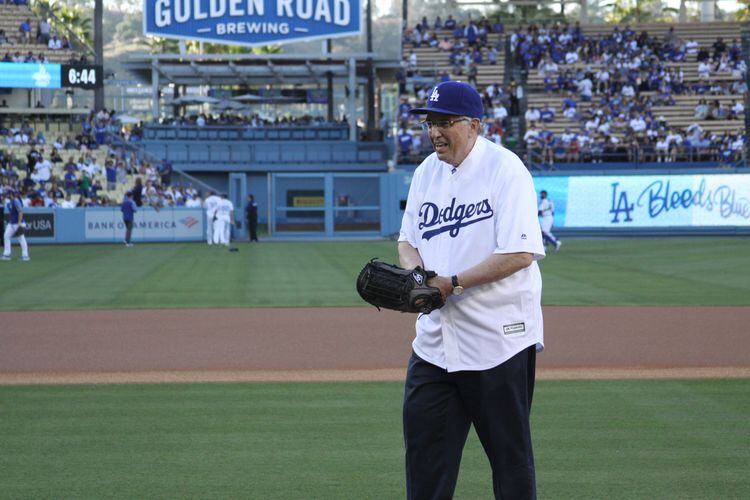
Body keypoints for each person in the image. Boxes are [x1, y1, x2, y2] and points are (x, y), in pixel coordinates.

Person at [399, 81, 545, 499]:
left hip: (497, 341)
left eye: (445, 122)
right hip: (434, 345)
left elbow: (520, 252)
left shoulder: (506, 169)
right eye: (430, 122)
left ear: (474, 125)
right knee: (425, 465)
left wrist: (454, 283)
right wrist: (418, 277)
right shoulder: (426, 172)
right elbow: (407, 241)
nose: (434, 132)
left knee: (510, 463)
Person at [2, 189, 30, 261]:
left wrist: (19, 223)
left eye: (8, 194)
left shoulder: (16, 201)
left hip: (17, 223)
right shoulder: (10, 202)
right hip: (11, 223)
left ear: (11, 194)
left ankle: (25, 255)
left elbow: (20, 212)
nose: (7, 195)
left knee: (21, 238)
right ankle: (7, 254)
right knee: (6, 236)